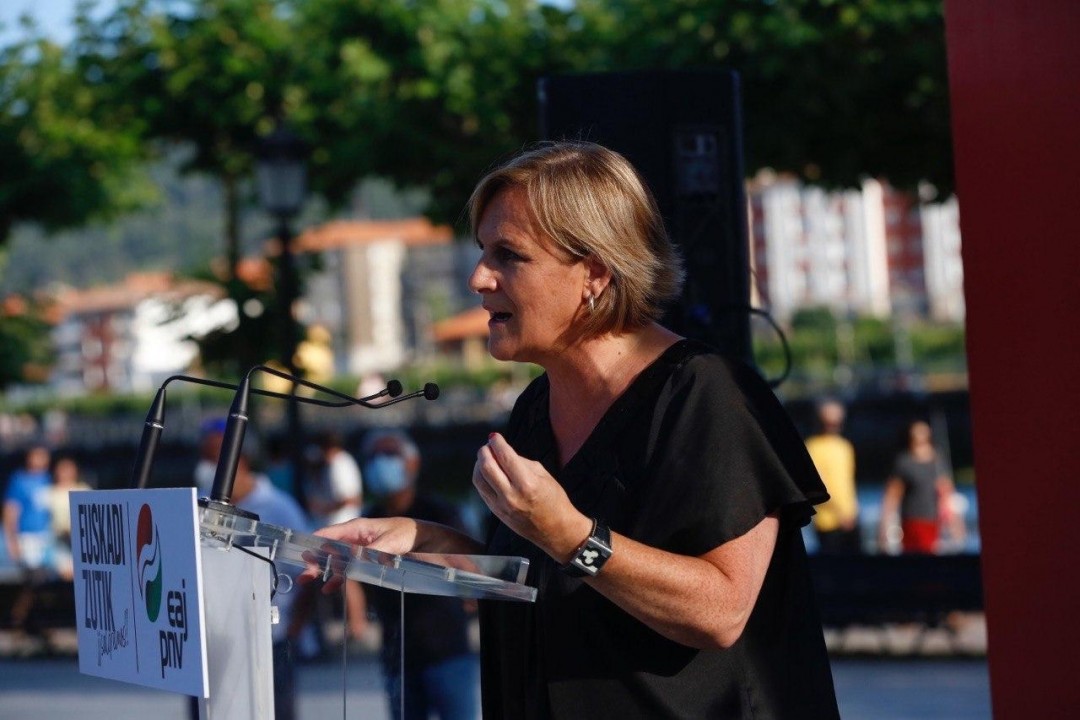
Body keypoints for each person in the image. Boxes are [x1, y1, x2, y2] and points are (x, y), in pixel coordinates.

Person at [302, 141, 839, 718]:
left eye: (509, 255)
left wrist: (573, 536)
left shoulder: (707, 393)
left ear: (595, 273)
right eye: (482, 252)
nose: (479, 278)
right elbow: (546, 580)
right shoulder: (535, 409)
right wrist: (424, 539)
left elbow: (721, 611)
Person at [359, 429, 480, 720]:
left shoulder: (440, 514)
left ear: (413, 463)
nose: (380, 462)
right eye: (373, 457)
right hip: (398, 654)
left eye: (390, 454)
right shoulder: (367, 520)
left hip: (447, 651)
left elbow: (470, 568)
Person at [306, 430, 366, 643]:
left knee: (346, 578)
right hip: (337, 529)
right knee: (344, 578)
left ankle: (357, 626)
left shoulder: (339, 464)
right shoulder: (336, 464)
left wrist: (324, 508)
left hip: (342, 529)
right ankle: (355, 625)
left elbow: (351, 498)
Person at [2, 444, 57, 648]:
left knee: (45, 581)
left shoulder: (48, 479)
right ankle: (20, 621)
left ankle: (39, 622)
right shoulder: (19, 480)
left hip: (47, 538)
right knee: (34, 580)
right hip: (27, 539)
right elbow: (11, 511)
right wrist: (12, 540)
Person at [879, 419, 957, 555]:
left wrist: (954, 523)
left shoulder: (937, 461)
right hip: (912, 521)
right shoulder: (904, 463)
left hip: (934, 521)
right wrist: (885, 525)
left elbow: (946, 492)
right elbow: (892, 495)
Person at [804, 399, 861, 554]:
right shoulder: (813, 447)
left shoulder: (845, 446)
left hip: (852, 517)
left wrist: (852, 511)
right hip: (827, 521)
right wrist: (841, 513)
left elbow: (848, 483)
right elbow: (821, 485)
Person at [48, 455, 92, 581]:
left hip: (82, 543)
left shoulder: (84, 490)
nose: (65, 473)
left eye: (68, 469)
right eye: (62, 469)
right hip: (57, 543)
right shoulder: (49, 492)